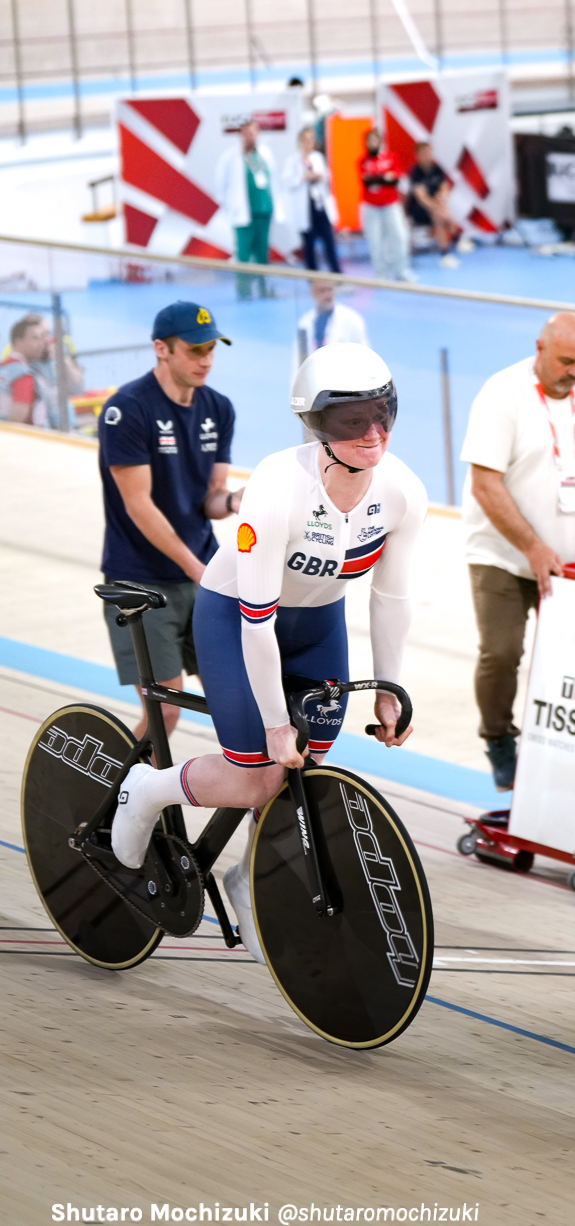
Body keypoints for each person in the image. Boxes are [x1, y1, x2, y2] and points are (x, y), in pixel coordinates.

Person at [106, 343, 425, 963]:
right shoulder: (279, 487)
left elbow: (391, 599)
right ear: (317, 425)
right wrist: (276, 724)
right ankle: (148, 788)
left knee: (305, 770)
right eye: (351, 420)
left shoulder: (401, 492)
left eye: (382, 413)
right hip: (238, 617)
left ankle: (246, 879)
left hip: (319, 624)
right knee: (257, 776)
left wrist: (388, 689)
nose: (372, 433)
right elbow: (257, 621)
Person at [461, 313, 575, 790]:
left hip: (571, 562)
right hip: (500, 554)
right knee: (502, 653)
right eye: (566, 361)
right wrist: (533, 547)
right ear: (540, 347)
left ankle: (558, 745)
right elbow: (484, 484)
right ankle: (499, 738)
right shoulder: (502, 394)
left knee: (571, 662)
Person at [97, 301, 239, 738]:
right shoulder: (127, 411)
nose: (206, 360)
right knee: (166, 714)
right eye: (195, 350)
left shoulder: (218, 408)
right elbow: (139, 506)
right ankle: (125, 801)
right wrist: (197, 569)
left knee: (240, 702)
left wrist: (235, 502)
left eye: (212, 349)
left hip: (199, 574)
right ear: (162, 348)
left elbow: (209, 500)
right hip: (142, 584)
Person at [213, 121, 282, 300]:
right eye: (246, 133)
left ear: (258, 134)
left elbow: (273, 180)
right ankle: (244, 290)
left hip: (264, 211)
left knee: (262, 253)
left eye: (253, 133)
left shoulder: (265, 154)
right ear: (241, 135)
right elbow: (220, 184)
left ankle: (264, 287)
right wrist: (229, 208)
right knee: (243, 254)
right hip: (243, 214)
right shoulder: (230, 157)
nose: (250, 136)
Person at [2, 313, 83, 425]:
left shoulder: (55, 359)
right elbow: (20, 414)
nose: (46, 340)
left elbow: (78, 388)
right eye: (39, 336)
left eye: (47, 334)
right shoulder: (23, 369)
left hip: (63, 422)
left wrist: (62, 359)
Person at [285, 125, 340, 274]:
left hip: (320, 205)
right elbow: (287, 182)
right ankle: (313, 277)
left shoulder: (318, 158)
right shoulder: (293, 160)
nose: (308, 143)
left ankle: (336, 273)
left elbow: (327, 176)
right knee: (309, 245)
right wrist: (303, 178)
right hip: (305, 208)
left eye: (311, 140)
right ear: (300, 141)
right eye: (305, 140)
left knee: (329, 241)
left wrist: (319, 175)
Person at [358, 130, 412, 283]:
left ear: (380, 141)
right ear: (366, 143)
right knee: (375, 241)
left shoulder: (391, 158)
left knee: (399, 238)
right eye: (370, 140)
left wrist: (377, 179)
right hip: (371, 207)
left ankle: (402, 272)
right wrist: (384, 178)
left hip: (391, 205)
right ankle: (381, 274)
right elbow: (366, 182)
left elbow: (394, 180)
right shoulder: (363, 161)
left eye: (375, 140)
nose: (373, 143)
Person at [406, 141, 464, 269]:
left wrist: (442, 199)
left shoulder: (437, 169)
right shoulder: (415, 172)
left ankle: (448, 250)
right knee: (439, 214)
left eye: (429, 152)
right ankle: (450, 247)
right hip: (418, 211)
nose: (427, 155)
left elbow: (445, 188)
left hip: (437, 207)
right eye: (424, 153)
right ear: (418, 155)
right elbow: (422, 198)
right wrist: (438, 207)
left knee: (440, 213)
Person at [293, 278, 369, 368]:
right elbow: (301, 359)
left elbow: (365, 356)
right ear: (313, 293)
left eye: (329, 290)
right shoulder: (304, 324)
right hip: (314, 377)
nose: (327, 295)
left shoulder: (352, 320)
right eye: (322, 290)